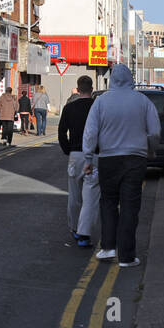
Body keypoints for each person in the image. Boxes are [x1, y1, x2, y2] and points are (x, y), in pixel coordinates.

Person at [83, 64, 160, 268]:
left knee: (108, 203)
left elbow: (90, 132)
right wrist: (151, 151)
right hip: (135, 160)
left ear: (113, 80)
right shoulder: (143, 101)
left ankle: (108, 248)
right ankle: (126, 256)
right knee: (130, 206)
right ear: (130, 79)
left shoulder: (101, 102)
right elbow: (154, 132)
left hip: (108, 159)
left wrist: (89, 159)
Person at [58, 76, 99, 247]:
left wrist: (68, 149)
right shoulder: (97, 108)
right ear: (91, 89)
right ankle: (84, 234)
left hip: (75, 155)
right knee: (90, 198)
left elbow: (61, 132)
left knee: (74, 197)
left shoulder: (69, 108)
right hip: (95, 155)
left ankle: (74, 228)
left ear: (78, 88)